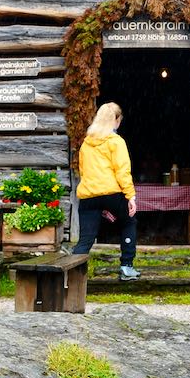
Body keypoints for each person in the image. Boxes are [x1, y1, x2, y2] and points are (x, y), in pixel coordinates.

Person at [73, 102, 139, 280]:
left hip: (88, 196)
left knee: (86, 238)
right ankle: (126, 266)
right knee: (128, 221)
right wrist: (130, 196)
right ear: (116, 120)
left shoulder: (86, 144)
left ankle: (72, 277)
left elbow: (83, 170)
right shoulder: (116, 142)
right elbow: (122, 171)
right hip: (111, 193)